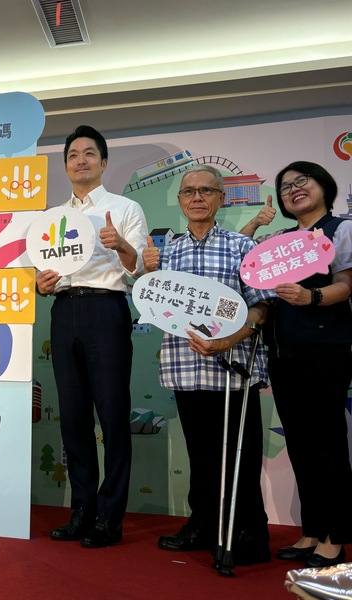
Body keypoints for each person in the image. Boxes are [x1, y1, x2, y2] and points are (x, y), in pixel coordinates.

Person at [143, 165, 273, 565]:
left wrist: (230, 340)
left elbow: (261, 305)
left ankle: (247, 535)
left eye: (206, 190)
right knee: (200, 455)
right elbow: (154, 302)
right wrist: (148, 269)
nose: (196, 198)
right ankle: (201, 525)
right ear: (180, 201)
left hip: (232, 368)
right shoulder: (166, 252)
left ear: (221, 198)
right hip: (185, 366)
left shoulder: (240, 246)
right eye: (188, 192)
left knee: (241, 455)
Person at [37, 125, 148, 548]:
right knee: (74, 417)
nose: (80, 160)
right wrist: (42, 284)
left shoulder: (124, 208)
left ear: (103, 162)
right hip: (64, 311)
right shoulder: (52, 217)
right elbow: (41, 271)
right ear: (66, 165)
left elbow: (137, 270)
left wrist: (120, 244)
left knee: (114, 416)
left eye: (89, 154)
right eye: (72, 155)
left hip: (106, 309)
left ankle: (109, 518)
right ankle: (81, 511)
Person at [265, 161, 352, 568]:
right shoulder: (280, 241)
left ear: (323, 186)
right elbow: (256, 280)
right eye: (286, 187)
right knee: (300, 444)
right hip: (285, 354)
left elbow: (347, 285)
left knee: (328, 444)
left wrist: (311, 298)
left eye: (302, 181)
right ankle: (312, 531)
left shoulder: (341, 229)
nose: (294, 190)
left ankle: (335, 536)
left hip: (326, 349)